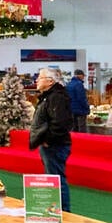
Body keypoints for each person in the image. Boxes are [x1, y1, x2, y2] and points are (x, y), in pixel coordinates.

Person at [29, 67, 73, 212]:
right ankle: (57, 210)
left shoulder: (56, 97)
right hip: (51, 144)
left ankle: (64, 212)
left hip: (55, 145)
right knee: (53, 178)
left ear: (49, 81)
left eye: (40, 78)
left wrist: (48, 139)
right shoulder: (50, 96)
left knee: (57, 179)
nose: (36, 80)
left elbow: (60, 123)